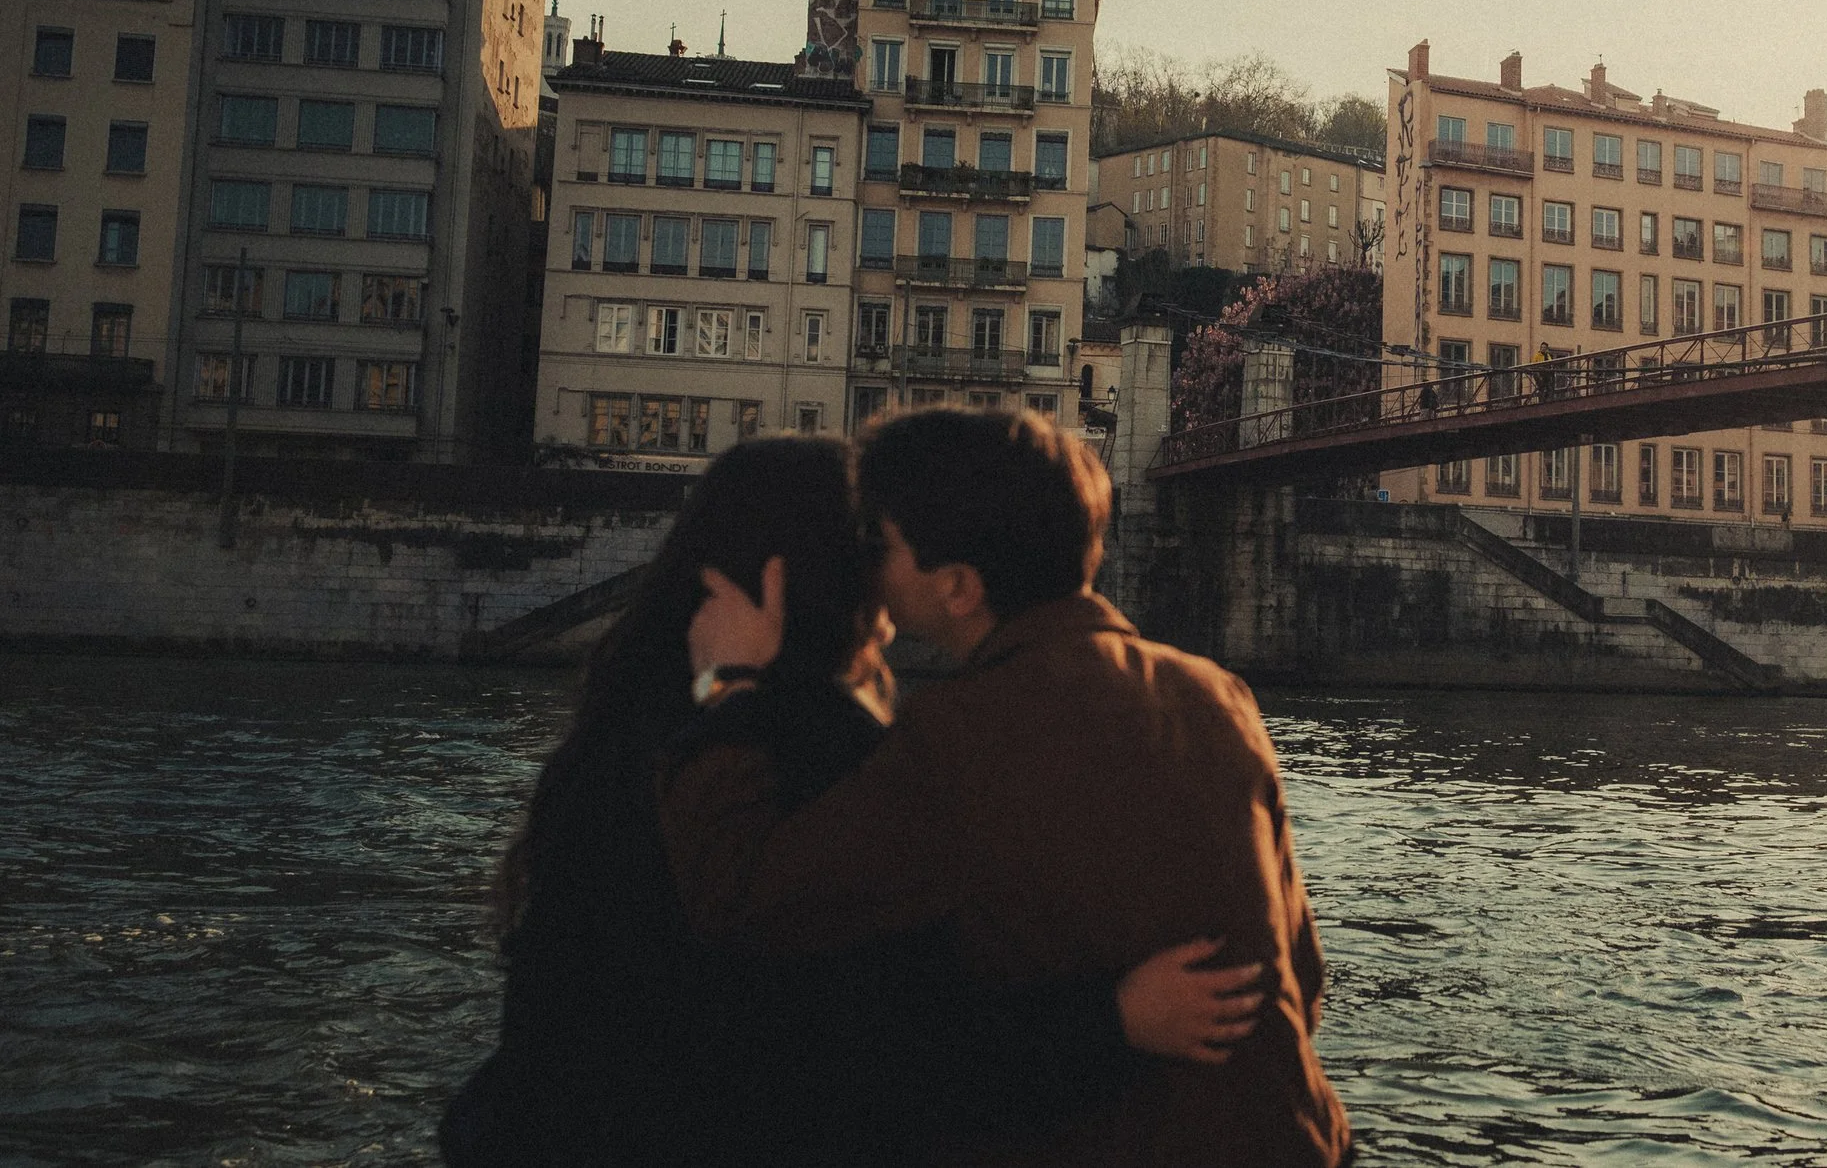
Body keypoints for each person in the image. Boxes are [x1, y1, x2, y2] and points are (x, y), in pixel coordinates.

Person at [444, 435, 1261, 1168]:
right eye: (876, 544)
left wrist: (723, 686)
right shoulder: (829, 750)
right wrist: (1113, 1019)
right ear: (836, 573)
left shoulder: (615, 735)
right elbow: (905, 1047)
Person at [663, 408, 1353, 1167]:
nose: (866, 568)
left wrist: (727, 686)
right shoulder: (1219, 695)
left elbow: (742, 894)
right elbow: (1305, 979)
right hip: (1301, 1137)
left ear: (957, 586)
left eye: (880, 546)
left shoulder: (957, 735)